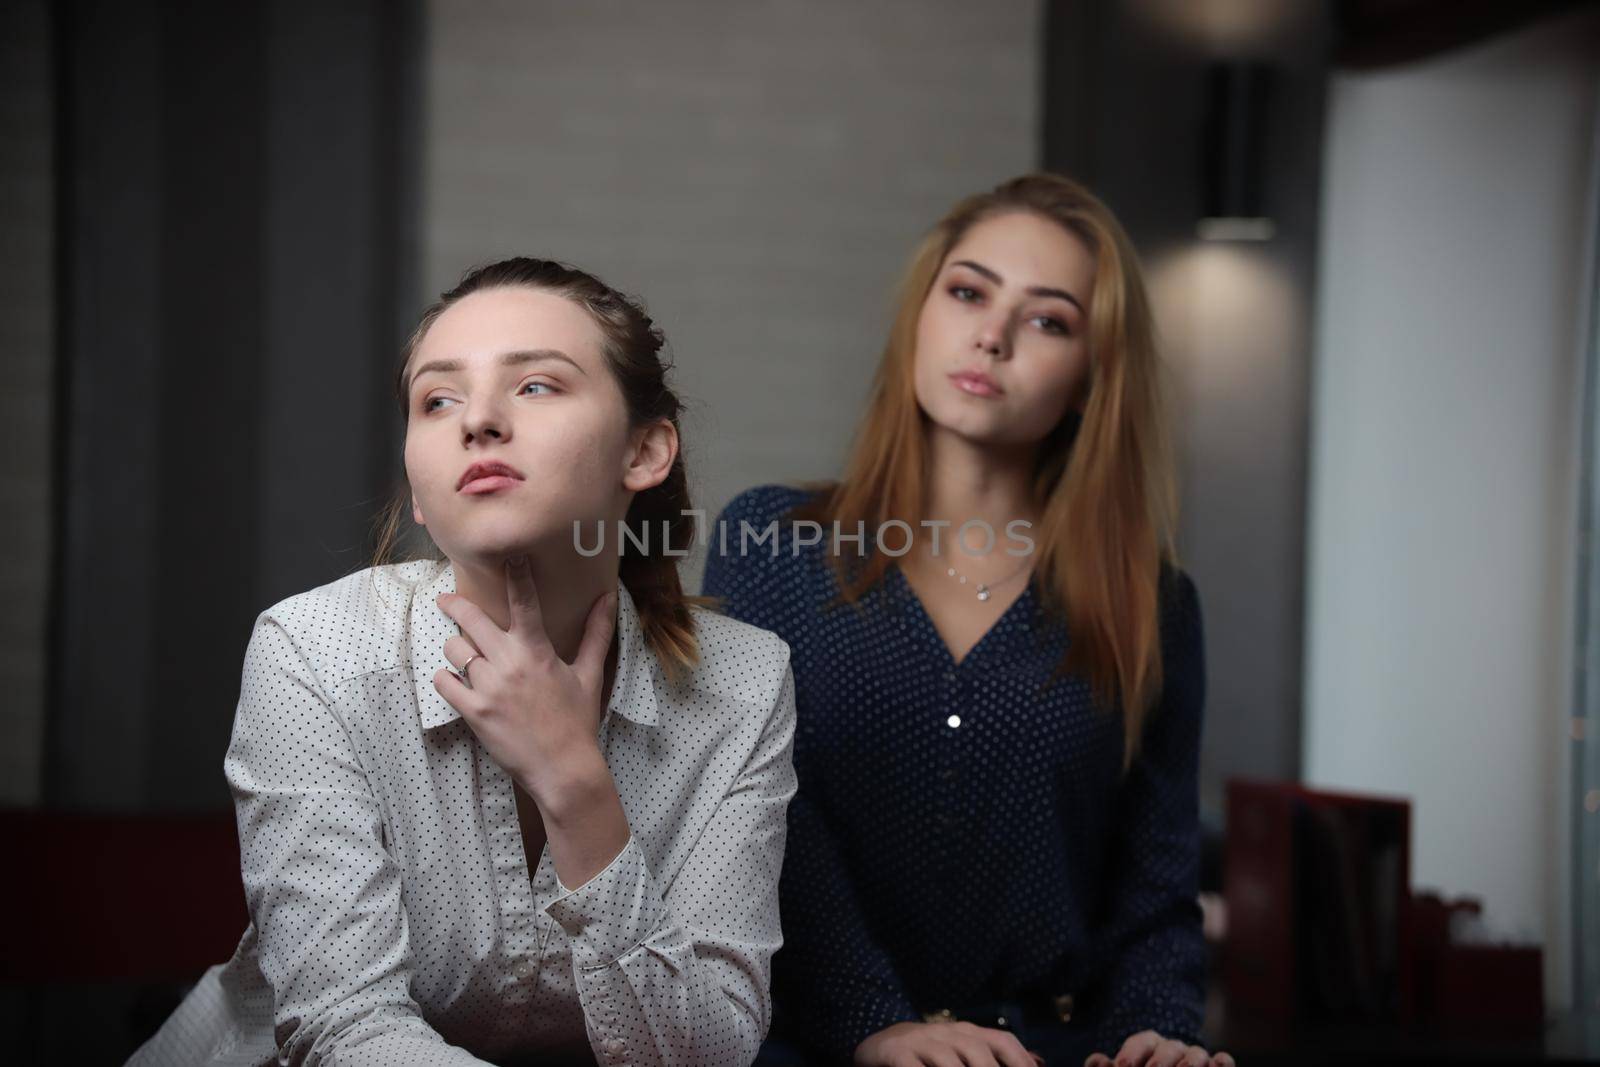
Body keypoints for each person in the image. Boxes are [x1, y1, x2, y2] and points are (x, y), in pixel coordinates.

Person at [128, 257, 798, 1067]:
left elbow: (710, 1047)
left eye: (537, 385)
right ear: (419, 488)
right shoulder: (313, 651)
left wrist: (575, 785)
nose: (475, 421)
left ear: (646, 450)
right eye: (436, 400)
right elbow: (345, 1028)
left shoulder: (745, 684)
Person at [702, 173, 1234, 1067]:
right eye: (967, 292)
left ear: (1089, 380)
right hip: (816, 1047)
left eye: (1049, 319)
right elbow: (760, 832)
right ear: (921, 315)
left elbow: (1157, 889)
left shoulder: (1154, 604)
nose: (991, 334)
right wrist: (873, 1020)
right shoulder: (769, 546)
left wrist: (1159, 1033)